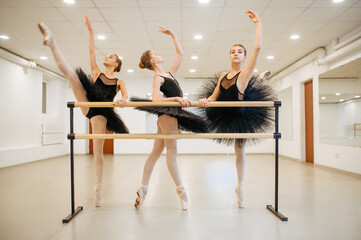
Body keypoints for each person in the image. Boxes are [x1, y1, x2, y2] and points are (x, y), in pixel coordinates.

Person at [38, 16, 129, 207]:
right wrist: (90, 32)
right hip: (89, 103)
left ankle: (98, 187)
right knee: (71, 75)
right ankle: (52, 44)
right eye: (107, 56)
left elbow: (125, 95)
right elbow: (91, 52)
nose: (107, 57)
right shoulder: (97, 72)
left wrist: (122, 99)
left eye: (111, 57)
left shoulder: (119, 82)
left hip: (101, 114)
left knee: (97, 152)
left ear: (117, 65)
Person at [198, 9, 276, 208]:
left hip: (242, 113)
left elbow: (257, 48)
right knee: (236, 148)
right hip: (226, 111)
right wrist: (206, 101)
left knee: (239, 148)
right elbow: (214, 97)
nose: (236, 54)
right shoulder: (224, 75)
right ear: (229, 55)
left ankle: (240, 186)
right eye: (233, 51)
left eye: (240, 51)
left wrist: (258, 23)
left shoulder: (244, 74)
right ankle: (240, 186)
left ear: (244, 57)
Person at [131, 27, 208, 210]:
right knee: (171, 153)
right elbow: (156, 99)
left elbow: (180, 53)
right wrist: (177, 99)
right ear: (152, 61)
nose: (160, 54)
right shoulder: (158, 77)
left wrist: (173, 35)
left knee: (156, 152)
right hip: (167, 115)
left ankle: (143, 189)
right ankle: (181, 191)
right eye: (156, 53)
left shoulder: (170, 73)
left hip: (168, 116)